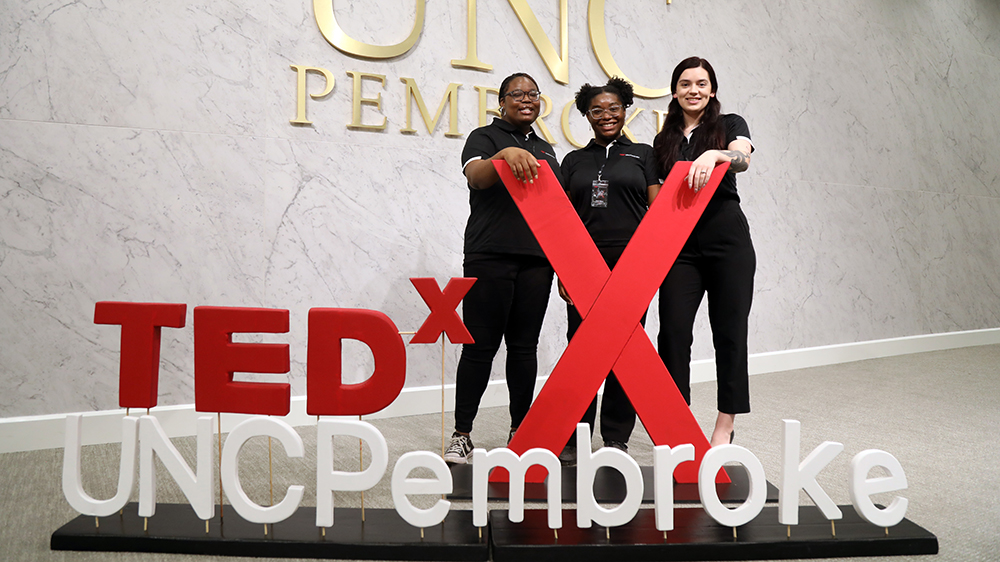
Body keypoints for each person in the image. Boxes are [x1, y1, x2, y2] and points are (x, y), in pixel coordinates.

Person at [444, 72, 563, 464]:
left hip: (537, 262)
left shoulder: (547, 149)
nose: (526, 99)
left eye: (533, 94)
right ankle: (462, 434)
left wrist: (563, 267)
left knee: (523, 348)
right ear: (502, 101)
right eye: (517, 94)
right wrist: (503, 155)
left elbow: (557, 212)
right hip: (489, 255)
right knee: (479, 348)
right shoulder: (485, 137)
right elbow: (476, 179)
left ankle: (521, 431)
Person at [652, 57, 755, 447]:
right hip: (680, 245)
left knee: (730, 333)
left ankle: (725, 422)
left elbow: (742, 159)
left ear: (711, 89)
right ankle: (677, 419)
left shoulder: (730, 125)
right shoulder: (665, 139)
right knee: (674, 332)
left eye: (701, 83)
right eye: (684, 83)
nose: (692, 90)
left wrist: (715, 155)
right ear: (675, 90)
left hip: (727, 239)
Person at [557, 77, 660, 464]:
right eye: (597, 110)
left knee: (624, 351)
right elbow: (562, 222)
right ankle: (575, 435)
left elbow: (657, 212)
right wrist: (563, 272)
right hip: (583, 266)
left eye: (613, 108)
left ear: (625, 109)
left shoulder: (644, 155)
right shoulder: (573, 161)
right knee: (581, 351)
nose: (606, 116)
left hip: (632, 266)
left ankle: (616, 437)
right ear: (586, 115)